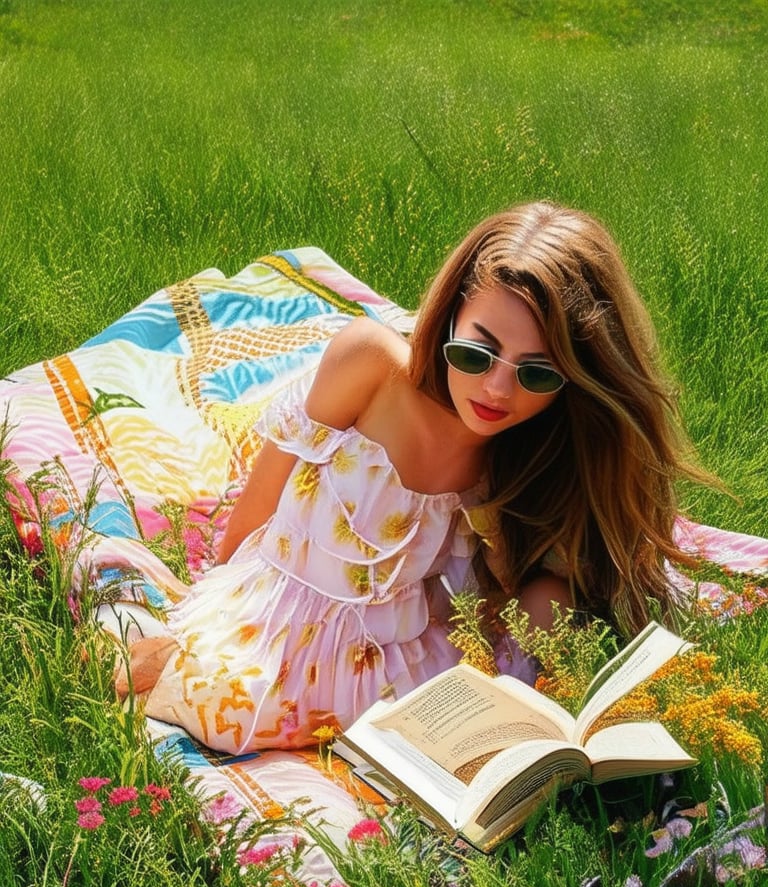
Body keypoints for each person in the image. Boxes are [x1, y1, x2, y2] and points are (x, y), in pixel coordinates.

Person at [118, 200, 713, 753]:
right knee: (219, 709)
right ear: (450, 314)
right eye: (478, 353)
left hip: (397, 652)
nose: (496, 390)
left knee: (544, 622)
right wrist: (217, 591)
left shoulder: (522, 453)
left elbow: (492, 589)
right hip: (282, 619)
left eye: (537, 374)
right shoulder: (369, 363)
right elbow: (267, 487)